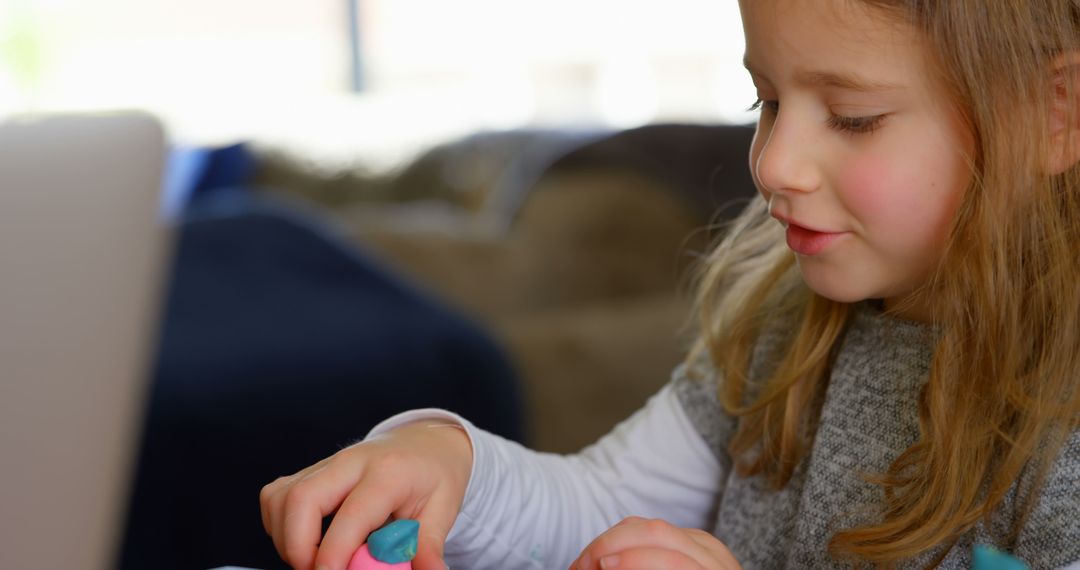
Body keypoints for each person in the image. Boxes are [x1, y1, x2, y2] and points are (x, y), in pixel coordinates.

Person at [259, 0, 1080, 568]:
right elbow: (608, 507)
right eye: (764, 100)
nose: (774, 165)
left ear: (1056, 113)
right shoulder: (784, 325)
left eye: (852, 117)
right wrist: (453, 466)